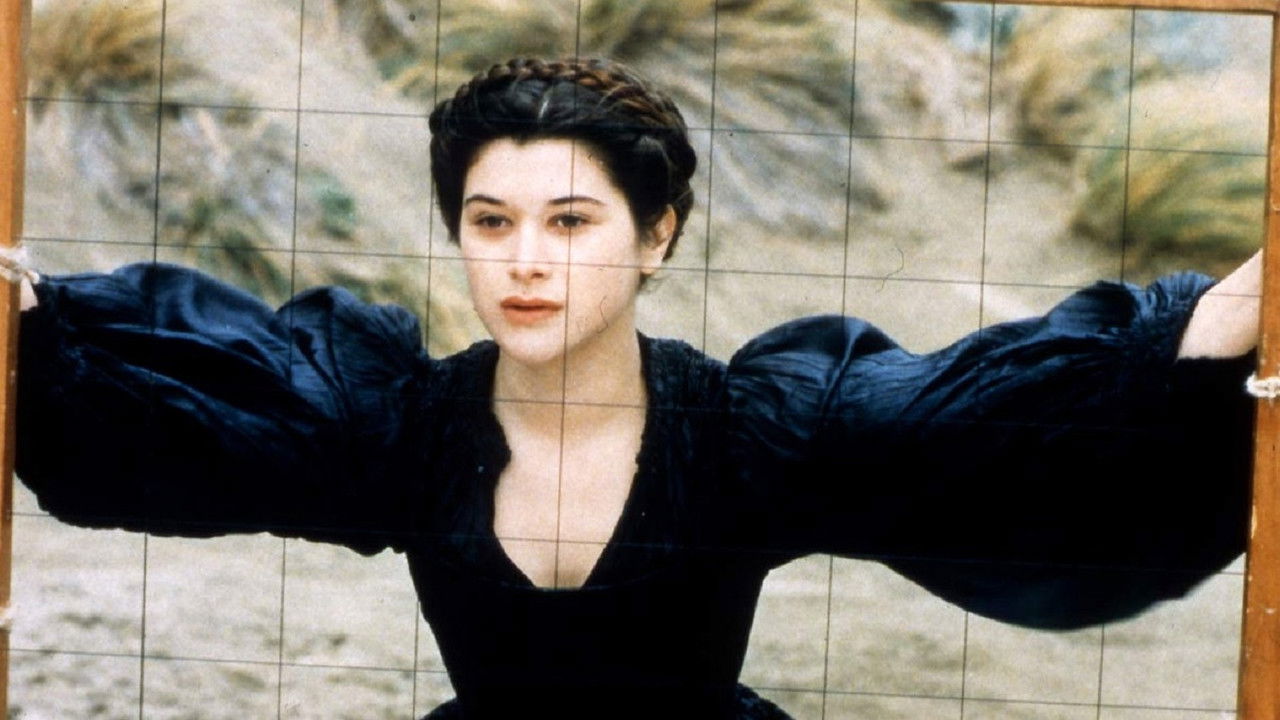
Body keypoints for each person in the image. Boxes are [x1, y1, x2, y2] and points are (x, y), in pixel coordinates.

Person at [11, 57, 1264, 720]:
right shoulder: (398, 423)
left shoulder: (752, 429)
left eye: (570, 221)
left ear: (656, 235)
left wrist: (1213, 322)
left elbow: (980, 414)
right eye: (490, 221)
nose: (524, 260)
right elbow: (188, 399)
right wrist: (33, 325)